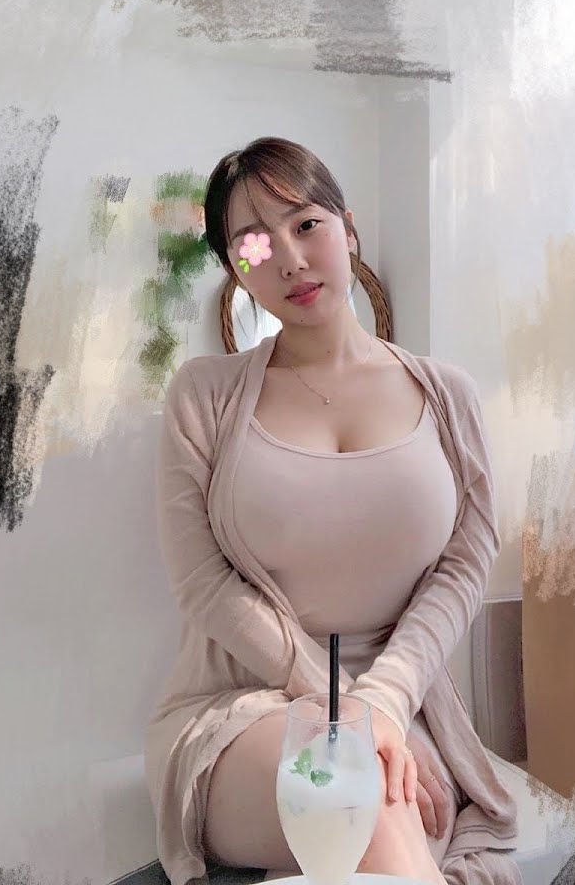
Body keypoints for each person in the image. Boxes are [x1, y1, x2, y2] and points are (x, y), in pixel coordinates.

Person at [144, 136, 521, 885]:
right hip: (242, 711)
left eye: (306, 224)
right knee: (357, 790)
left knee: (379, 797)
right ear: (236, 269)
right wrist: (348, 710)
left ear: (348, 230)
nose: (288, 259)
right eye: (254, 243)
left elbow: (466, 562)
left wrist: (383, 703)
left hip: (402, 703)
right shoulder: (203, 395)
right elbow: (204, 584)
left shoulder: (447, 394)